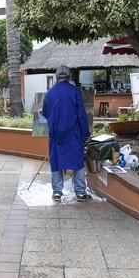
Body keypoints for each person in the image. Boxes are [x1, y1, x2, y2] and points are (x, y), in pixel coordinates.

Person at [42, 65, 92, 202]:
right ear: (69, 76)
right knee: (77, 161)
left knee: (56, 161)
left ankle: (57, 192)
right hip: (74, 134)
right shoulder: (74, 91)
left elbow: (45, 113)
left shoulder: (50, 93)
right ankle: (81, 192)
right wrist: (85, 134)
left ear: (57, 77)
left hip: (56, 135)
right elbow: (81, 114)